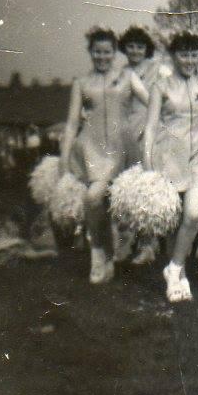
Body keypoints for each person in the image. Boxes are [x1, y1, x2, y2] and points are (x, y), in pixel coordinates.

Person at [144, 31, 198, 302]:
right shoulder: (160, 87)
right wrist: (148, 167)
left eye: (193, 54)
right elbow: (149, 128)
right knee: (173, 222)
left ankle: (173, 269)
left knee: (193, 215)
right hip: (168, 158)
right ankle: (178, 280)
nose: (189, 60)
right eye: (183, 54)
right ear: (173, 56)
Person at [59, 27, 149, 284]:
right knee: (93, 199)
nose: (102, 57)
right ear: (90, 53)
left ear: (114, 52)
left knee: (113, 205)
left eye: (107, 52)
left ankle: (110, 253)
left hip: (123, 147)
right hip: (93, 150)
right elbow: (71, 123)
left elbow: (153, 102)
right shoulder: (81, 83)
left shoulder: (128, 76)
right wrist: (64, 161)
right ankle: (100, 256)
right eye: (97, 52)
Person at [118, 25, 168, 265]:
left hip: (150, 129)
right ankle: (129, 241)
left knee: (147, 186)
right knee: (128, 188)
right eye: (130, 46)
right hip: (126, 131)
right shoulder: (122, 72)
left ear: (146, 49)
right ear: (124, 49)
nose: (135, 51)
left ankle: (149, 244)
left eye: (139, 46)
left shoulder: (157, 69)